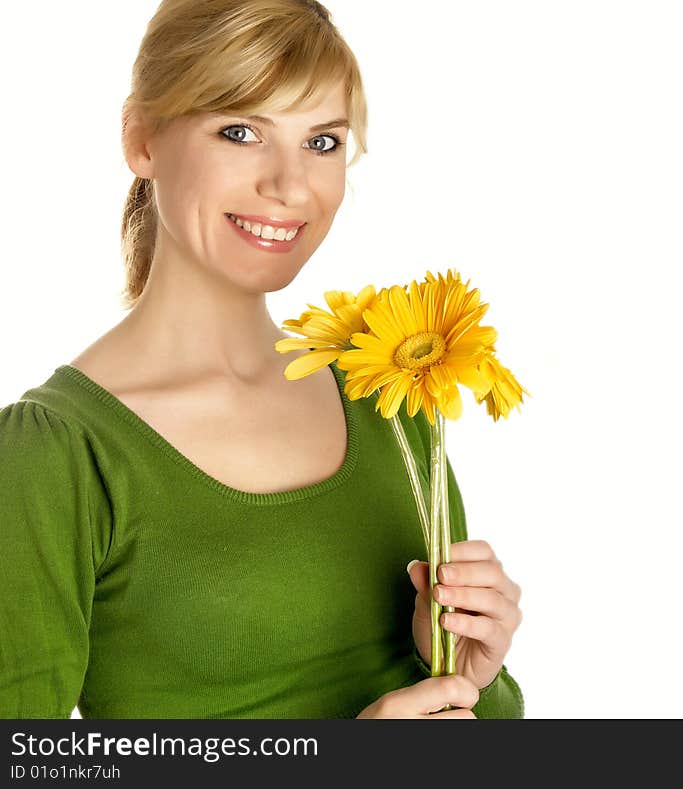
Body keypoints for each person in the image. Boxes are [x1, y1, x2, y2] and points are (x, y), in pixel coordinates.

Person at [0, 0, 524, 719]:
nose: (290, 185)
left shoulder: (387, 393)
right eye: (241, 131)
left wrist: (468, 675)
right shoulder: (56, 454)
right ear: (142, 139)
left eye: (323, 142)